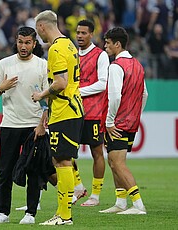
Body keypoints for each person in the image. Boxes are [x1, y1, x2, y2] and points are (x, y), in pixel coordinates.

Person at [0, 26, 49, 225]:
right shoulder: (4, 64)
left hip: (34, 125)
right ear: (16, 41)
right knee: (5, 170)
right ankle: (3, 212)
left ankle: (30, 213)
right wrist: (1, 87)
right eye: (20, 42)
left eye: (27, 43)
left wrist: (42, 124)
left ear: (34, 43)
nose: (23, 46)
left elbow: (48, 100)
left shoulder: (42, 65)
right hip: (10, 124)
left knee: (33, 170)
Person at [32, 10, 84, 226]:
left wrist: (41, 95)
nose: (39, 35)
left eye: (38, 30)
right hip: (72, 109)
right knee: (62, 160)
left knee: (61, 161)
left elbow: (60, 83)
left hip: (65, 111)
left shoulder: (55, 48)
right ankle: (64, 212)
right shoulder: (70, 44)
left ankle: (64, 215)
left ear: (42, 26)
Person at [99, 27, 148, 215]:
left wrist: (110, 121)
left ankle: (138, 205)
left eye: (108, 43)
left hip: (117, 122)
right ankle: (120, 201)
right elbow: (144, 94)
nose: (105, 47)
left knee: (117, 163)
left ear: (117, 44)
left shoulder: (115, 66)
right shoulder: (137, 65)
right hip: (131, 122)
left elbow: (115, 97)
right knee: (114, 161)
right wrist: (135, 114)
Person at [73, 19, 109, 207]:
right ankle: (78, 186)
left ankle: (95, 195)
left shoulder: (100, 55)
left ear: (92, 34)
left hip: (93, 113)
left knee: (97, 152)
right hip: (72, 112)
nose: (79, 36)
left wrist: (78, 91)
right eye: (78, 32)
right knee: (66, 152)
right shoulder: (71, 54)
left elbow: (103, 83)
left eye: (84, 33)